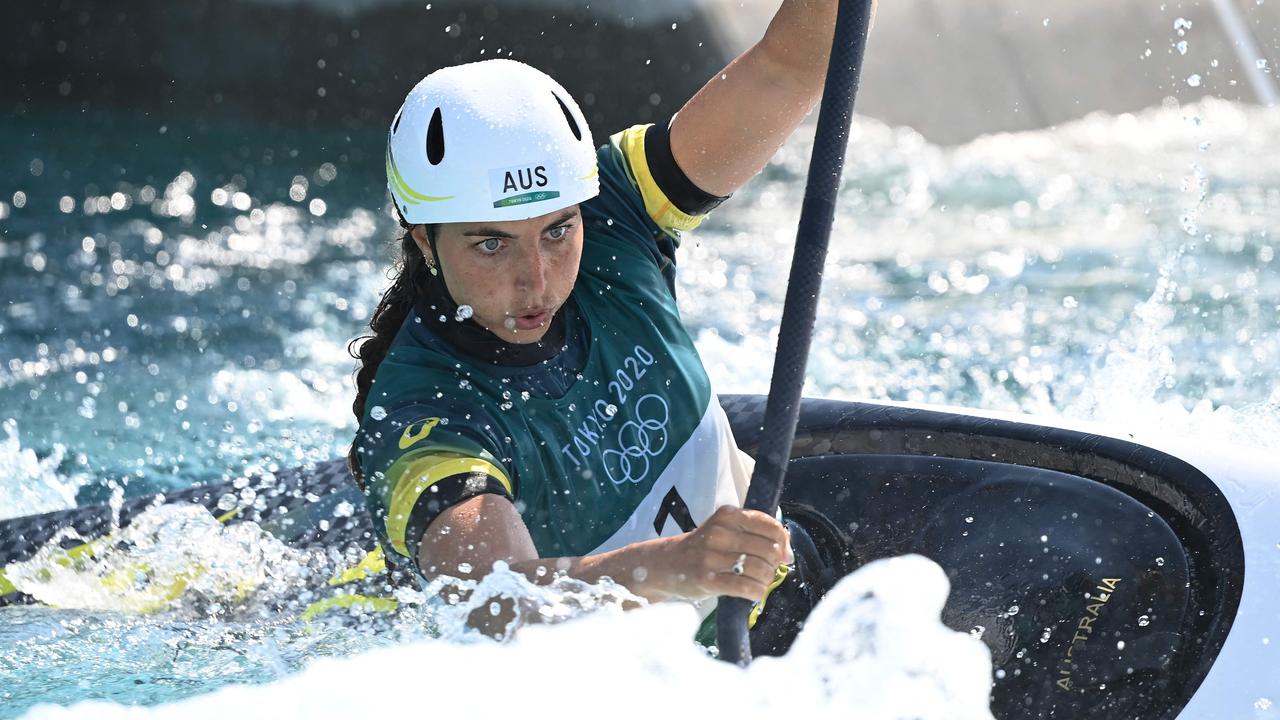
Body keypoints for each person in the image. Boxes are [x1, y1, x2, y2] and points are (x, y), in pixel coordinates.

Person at [349, 0, 852, 653]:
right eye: (492, 245)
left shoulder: (617, 211)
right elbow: (498, 602)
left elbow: (788, 68)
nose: (538, 280)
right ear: (424, 238)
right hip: (665, 683)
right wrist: (674, 566)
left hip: (796, 606)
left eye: (558, 230)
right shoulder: (426, 412)